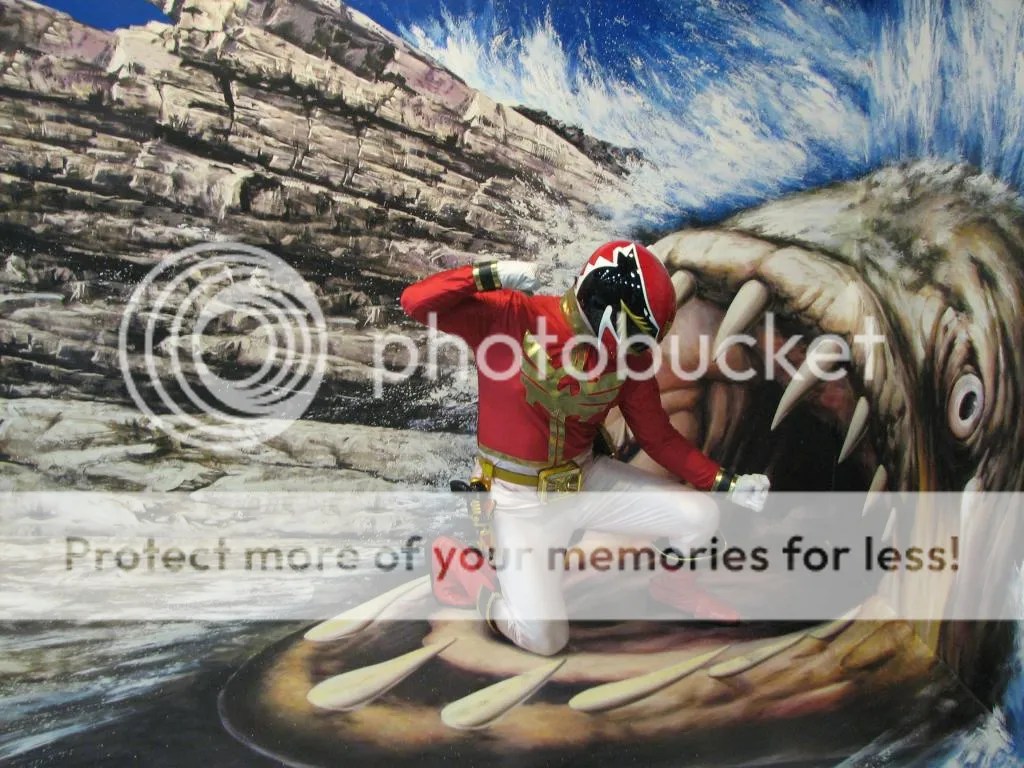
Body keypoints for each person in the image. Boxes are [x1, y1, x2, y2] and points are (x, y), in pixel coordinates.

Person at [400, 241, 770, 656]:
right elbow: (415, 301)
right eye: (636, 334)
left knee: (700, 515)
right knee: (544, 638)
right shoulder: (512, 316)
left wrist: (725, 483)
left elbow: (658, 437)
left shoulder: (628, 360)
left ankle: (673, 587)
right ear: (604, 306)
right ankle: (469, 574)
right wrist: (488, 274)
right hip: (519, 502)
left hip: (586, 480)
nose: (641, 349)